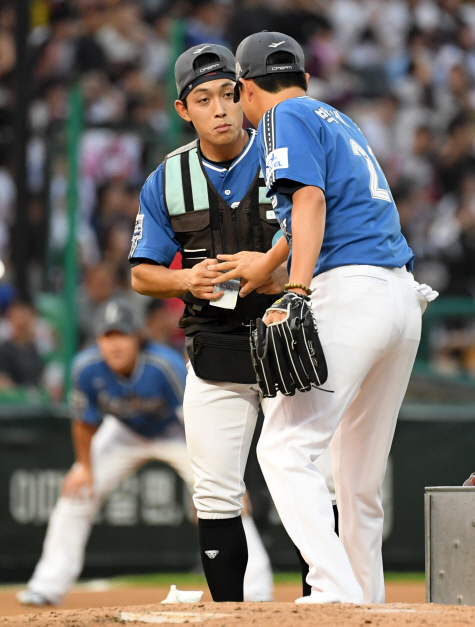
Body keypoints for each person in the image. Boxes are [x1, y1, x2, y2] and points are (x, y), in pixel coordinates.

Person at [216, 32, 437, 604]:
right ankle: (366, 601)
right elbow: (313, 215)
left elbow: (308, 201)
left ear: (243, 87)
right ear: (305, 77)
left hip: (352, 290)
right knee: (357, 480)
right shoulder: (334, 117)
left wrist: (292, 289)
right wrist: (267, 266)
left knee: (283, 449)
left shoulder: (280, 117)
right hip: (401, 299)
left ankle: (333, 590)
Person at [129, 43, 283, 602]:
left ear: (244, 94)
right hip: (214, 346)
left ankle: (332, 605)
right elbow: (143, 274)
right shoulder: (166, 179)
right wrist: (185, 281)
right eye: (203, 98)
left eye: (228, 93)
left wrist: (276, 269)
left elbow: (328, 238)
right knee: (215, 493)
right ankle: (229, 613)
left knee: (317, 479)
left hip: (291, 337)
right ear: (182, 110)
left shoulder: (282, 155)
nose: (219, 108)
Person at [16, 300, 192, 606]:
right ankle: (47, 586)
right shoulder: (86, 367)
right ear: (97, 340)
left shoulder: (165, 365)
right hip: (122, 433)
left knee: (222, 495)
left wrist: (207, 477)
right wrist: (84, 466)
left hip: (177, 434)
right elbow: (84, 423)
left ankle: (253, 588)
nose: (114, 344)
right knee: (76, 493)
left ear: (138, 336)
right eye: (107, 336)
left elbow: (194, 422)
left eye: (121, 335)